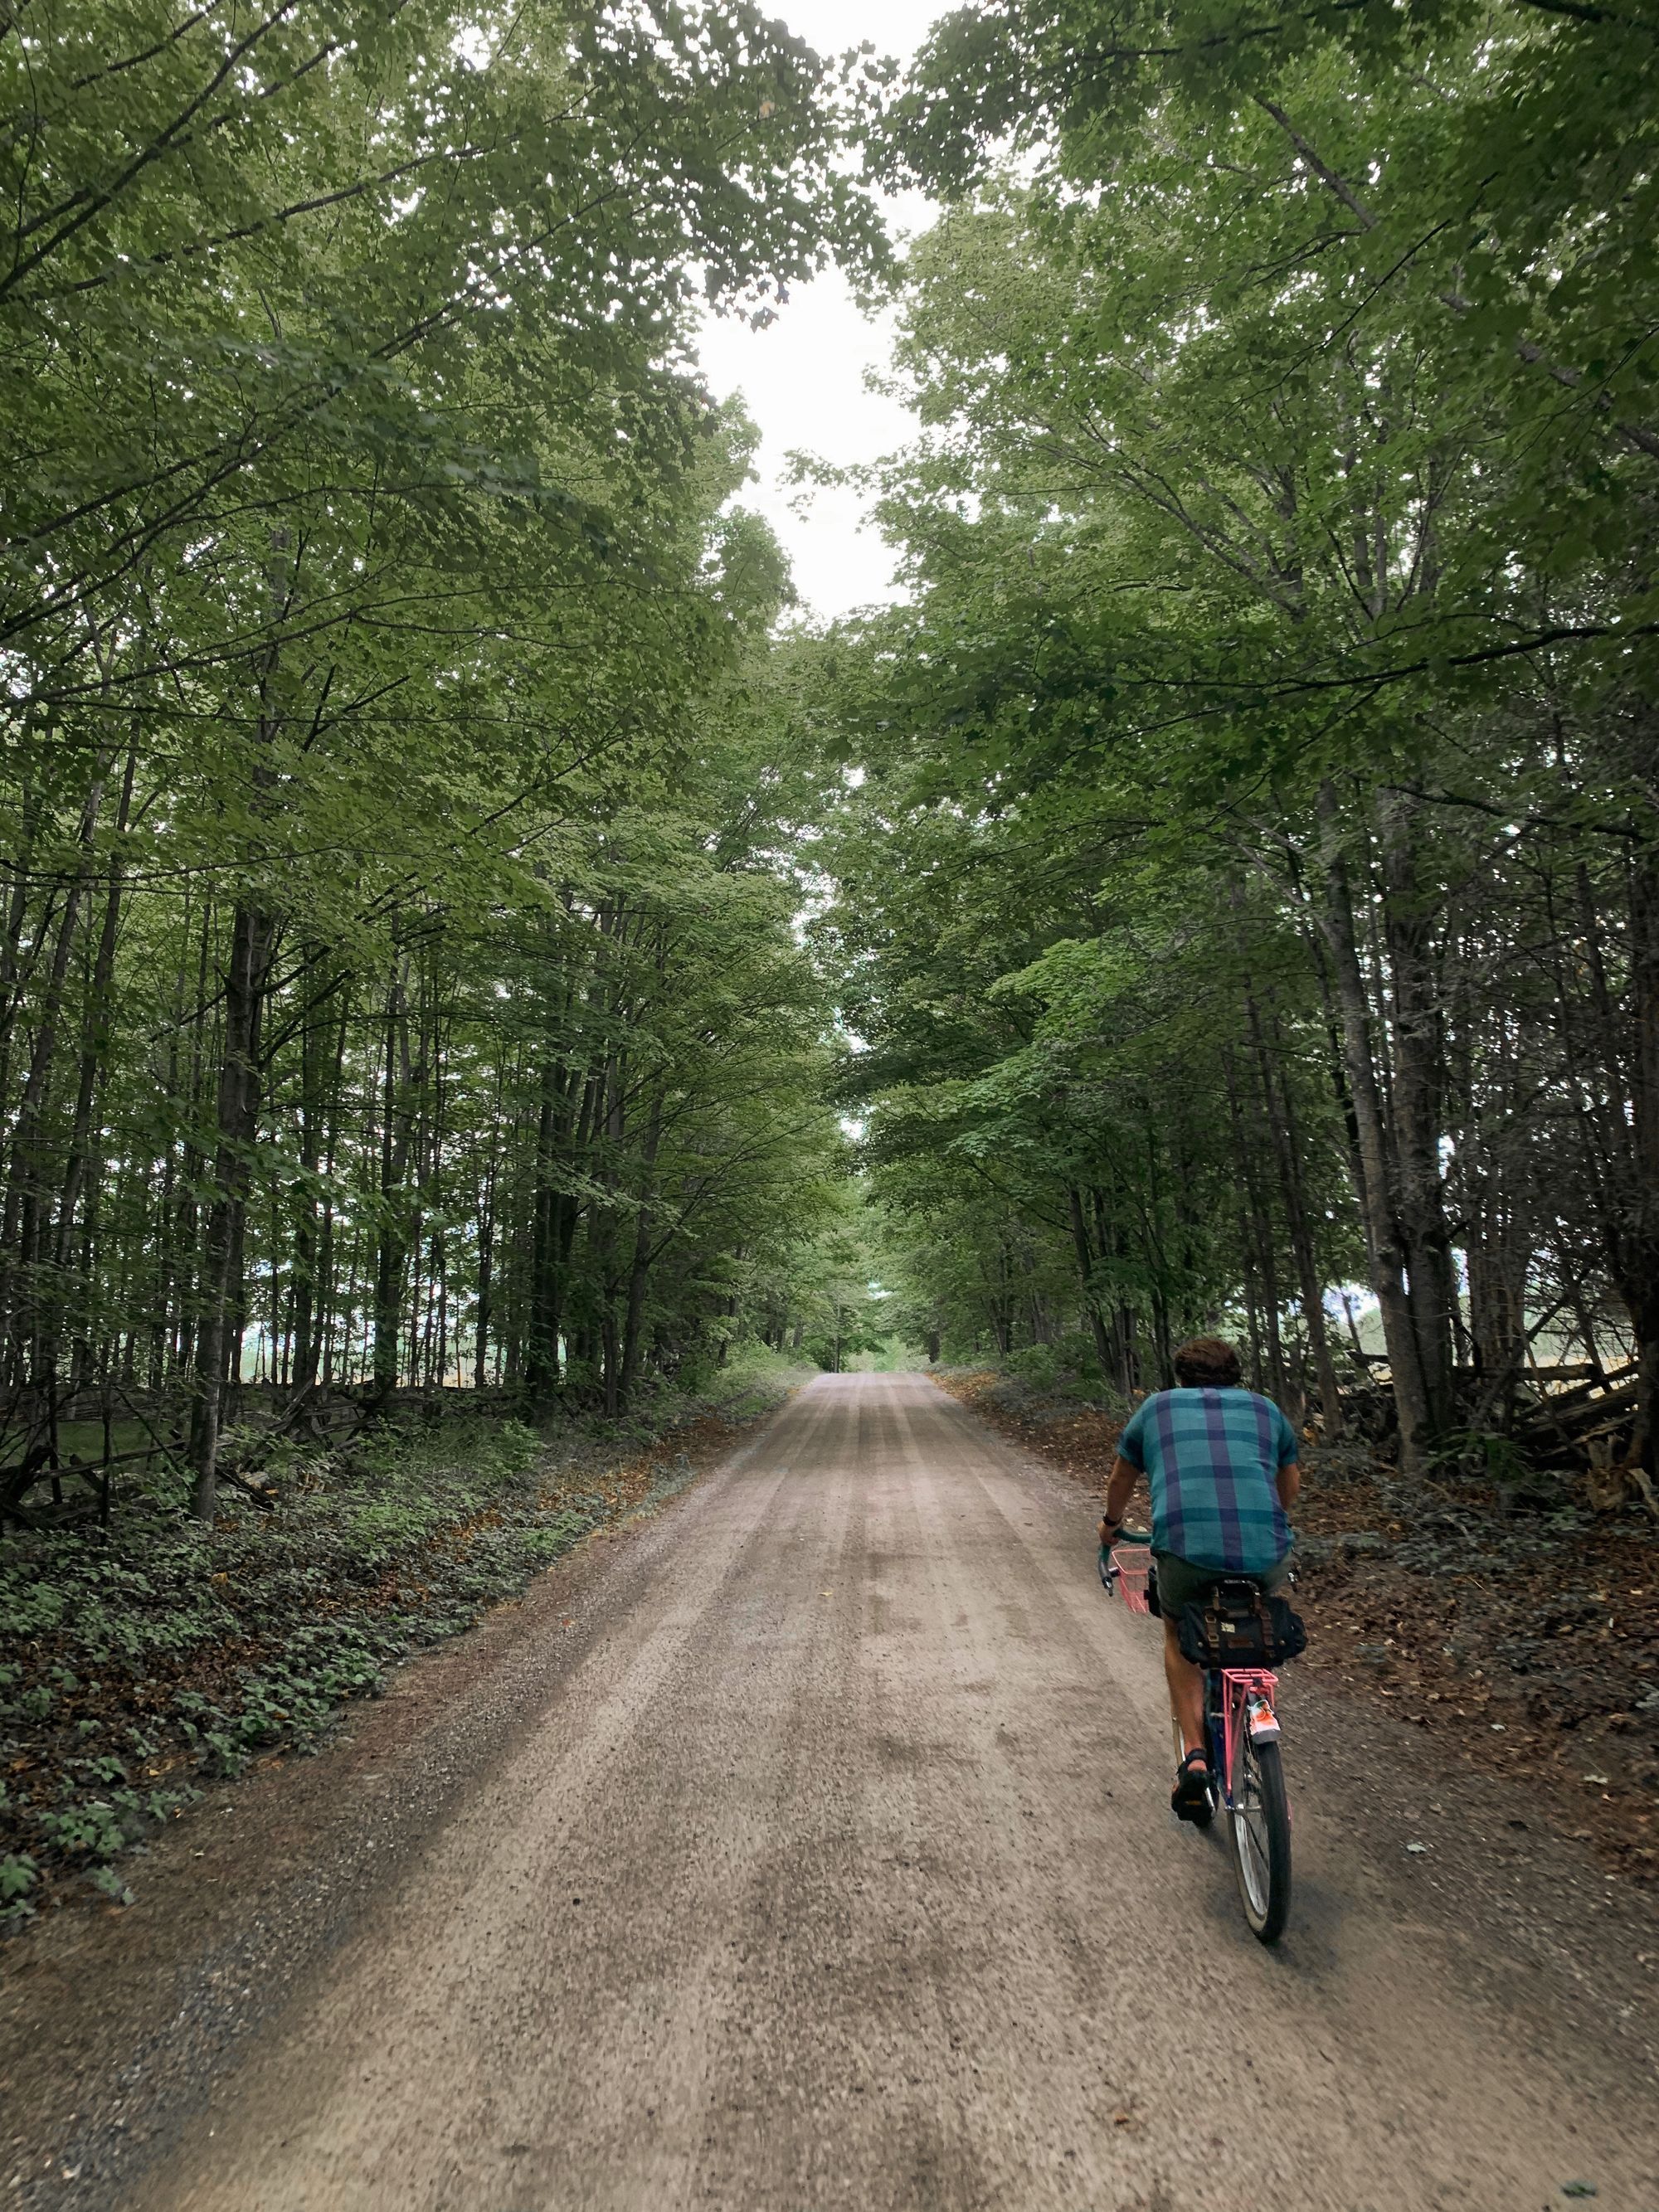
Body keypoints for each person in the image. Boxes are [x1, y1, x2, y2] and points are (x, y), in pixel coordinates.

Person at [1097, 1335, 1301, 1821]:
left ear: (1181, 1378)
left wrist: (1110, 1526)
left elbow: (1121, 1479)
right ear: (1236, 1375)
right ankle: (1255, 1700)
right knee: (1256, 1621)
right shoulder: (1267, 1410)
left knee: (1177, 1631)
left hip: (1187, 1552)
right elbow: (1289, 1486)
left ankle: (1194, 1755)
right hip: (1266, 1551)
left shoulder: (1157, 1409)